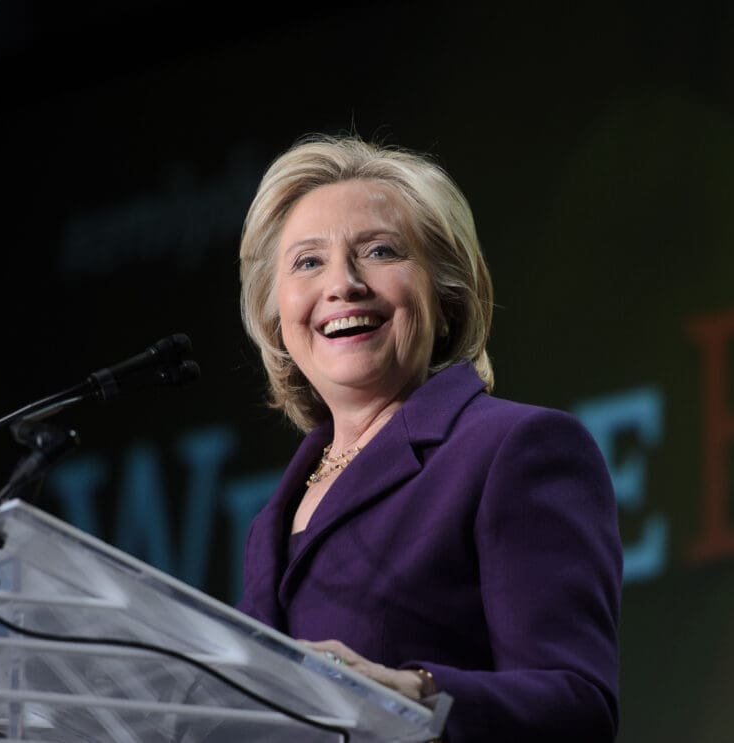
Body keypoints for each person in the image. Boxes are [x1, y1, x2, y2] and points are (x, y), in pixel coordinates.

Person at [237, 134, 622, 742]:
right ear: (275, 316)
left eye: (381, 250)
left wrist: (416, 693)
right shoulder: (270, 522)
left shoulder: (515, 450)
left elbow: (577, 706)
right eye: (308, 261)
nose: (342, 284)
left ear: (445, 298)